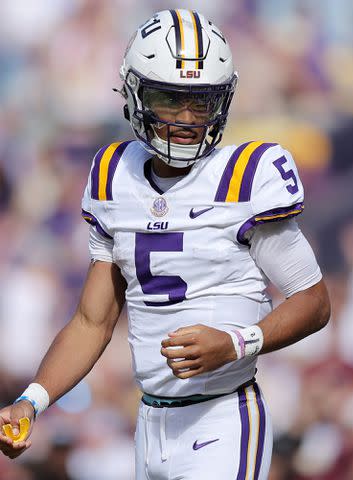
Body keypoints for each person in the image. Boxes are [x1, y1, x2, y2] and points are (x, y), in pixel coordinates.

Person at [0, 9, 330, 479]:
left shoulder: (247, 176)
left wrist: (237, 343)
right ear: (135, 94)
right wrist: (33, 400)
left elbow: (314, 301)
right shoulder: (116, 175)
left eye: (202, 102)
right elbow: (93, 322)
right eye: (169, 99)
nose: (187, 118)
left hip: (224, 416)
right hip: (149, 422)